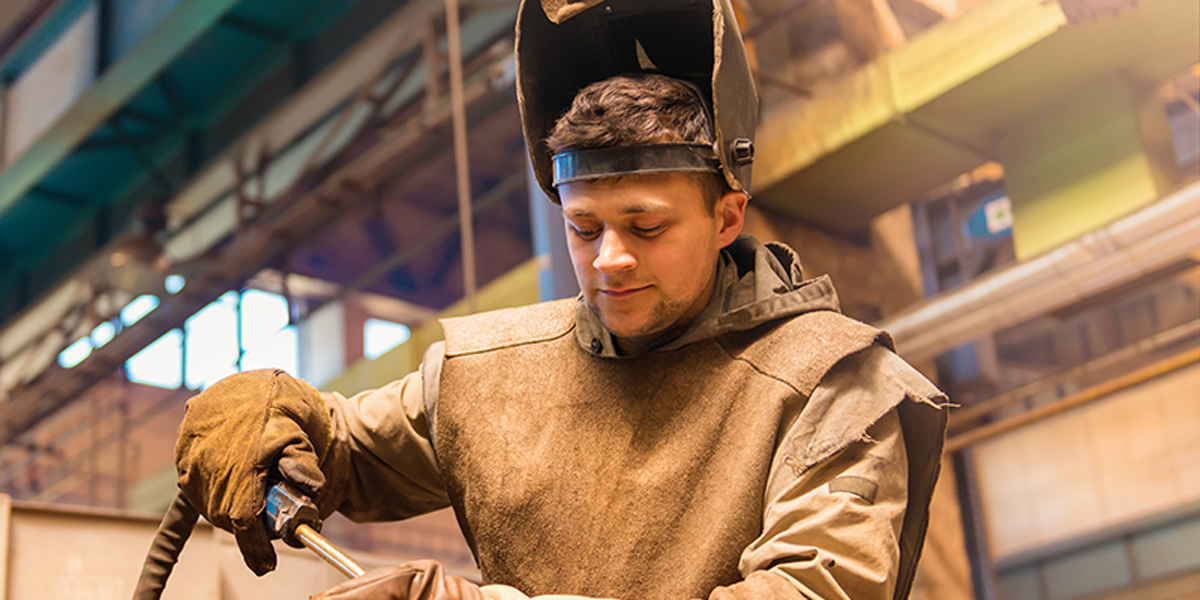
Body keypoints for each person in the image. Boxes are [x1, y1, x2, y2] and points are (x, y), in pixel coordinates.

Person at [172, 1, 948, 599]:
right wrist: (277, 422)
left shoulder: (834, 386)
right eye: (583, 227)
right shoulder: (491, 376)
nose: (609, 259)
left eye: (646, 225)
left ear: (726, 217)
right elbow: (343, 447)